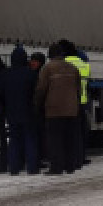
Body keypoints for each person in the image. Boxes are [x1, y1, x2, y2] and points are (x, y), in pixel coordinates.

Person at [34, 42, 82, 174]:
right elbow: (78, 89)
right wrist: (76, 104)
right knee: (69, 139)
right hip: (71, 110)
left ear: (50, 55)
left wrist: (37, 105)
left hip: (54, 110)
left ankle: (56, 167)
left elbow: (41, 89)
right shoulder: (73, 68)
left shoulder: (47, 68)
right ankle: (70, 166)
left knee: (55, 140)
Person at [0, 45, 40, 175]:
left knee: (14, 140)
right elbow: (37, 91)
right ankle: (32, 167)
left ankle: (14, 168)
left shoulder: (5, 74)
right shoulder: (31, 74)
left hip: (11, 111)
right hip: (28, 111)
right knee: (30, 139)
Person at [63, 41, 91, 168]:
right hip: (81, 102)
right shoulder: (84, 64)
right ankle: (80, 158)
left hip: (66, 103)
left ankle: (69, 159)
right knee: (79, 133)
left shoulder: (62, 65)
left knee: (66, 133)